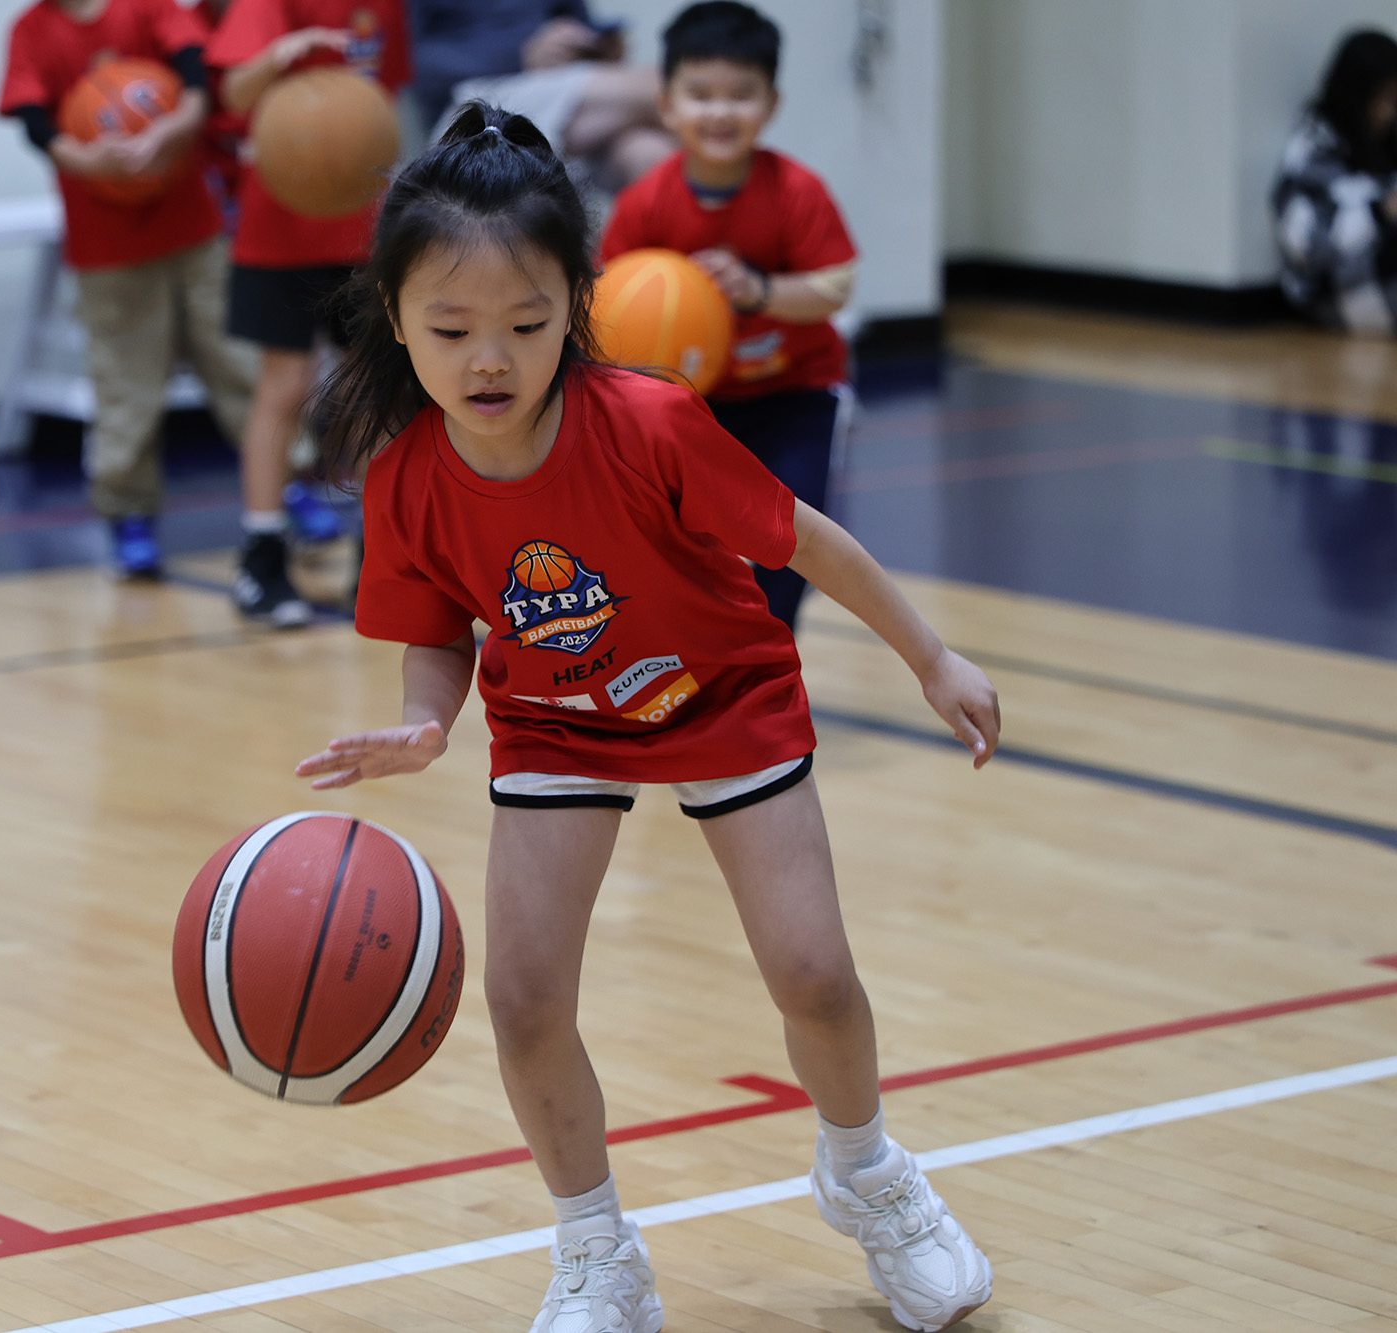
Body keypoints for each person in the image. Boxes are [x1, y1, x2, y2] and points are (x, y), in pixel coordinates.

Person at [296, 103, 998, 1332]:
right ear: (393, 318)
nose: (488, 360)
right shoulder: (404, 478)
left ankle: (868, 1174)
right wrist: (425, 723)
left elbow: (805, 541)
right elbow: (437, 633)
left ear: (576, 305)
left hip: (721, 691)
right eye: (450, 329)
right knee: (522, 997)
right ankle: (595, 1251)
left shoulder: (648, 422)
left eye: (525, 325)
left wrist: (928, 656)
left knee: (813, 975)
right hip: (556, 721)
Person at [601, 2, 856, 633]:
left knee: (793, 536)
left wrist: (759, 290)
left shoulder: (796, 191)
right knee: (671, 538)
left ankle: (773, 652)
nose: (720, 112)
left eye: (741, 95)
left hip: (795, 394)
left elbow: (835, 285)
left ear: (771, 104)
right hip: (691, 402)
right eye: (701, 95)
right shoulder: (646, 203)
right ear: (667, 105)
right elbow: (608, 302)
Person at [0, 0, 259, 579]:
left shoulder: (148, 8)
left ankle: (286, 487)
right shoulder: (31, 32)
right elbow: (35, 125)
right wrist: (85, 159)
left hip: (194, 231)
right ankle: (129, 513)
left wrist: (175, 127)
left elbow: (196, 80)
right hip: (106, 249)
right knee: (125, 388)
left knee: (240, 363)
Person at [206, 0, 409, 627]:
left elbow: (384, 98)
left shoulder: (383, 8)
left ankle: (384, 551)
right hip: (277, 234)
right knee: (284, 385)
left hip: (362, 234)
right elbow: (233, 94)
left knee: (376, 391)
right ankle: (262, 553)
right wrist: (277, 59)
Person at [411, 0, 673, 192]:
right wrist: (520, 54)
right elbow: (414, 61)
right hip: (477, 100)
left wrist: (596, 47)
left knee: (649, 152)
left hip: (561, 88)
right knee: (662, 87)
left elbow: (579, 21)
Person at [1274, 28, 1397, 335]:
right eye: (1386, 99)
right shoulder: (1311, 150)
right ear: (1359, 94)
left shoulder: (1381, 142)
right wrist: (1379, 212)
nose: (1390, 113)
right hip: (1337, 292)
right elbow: (1308, 247)